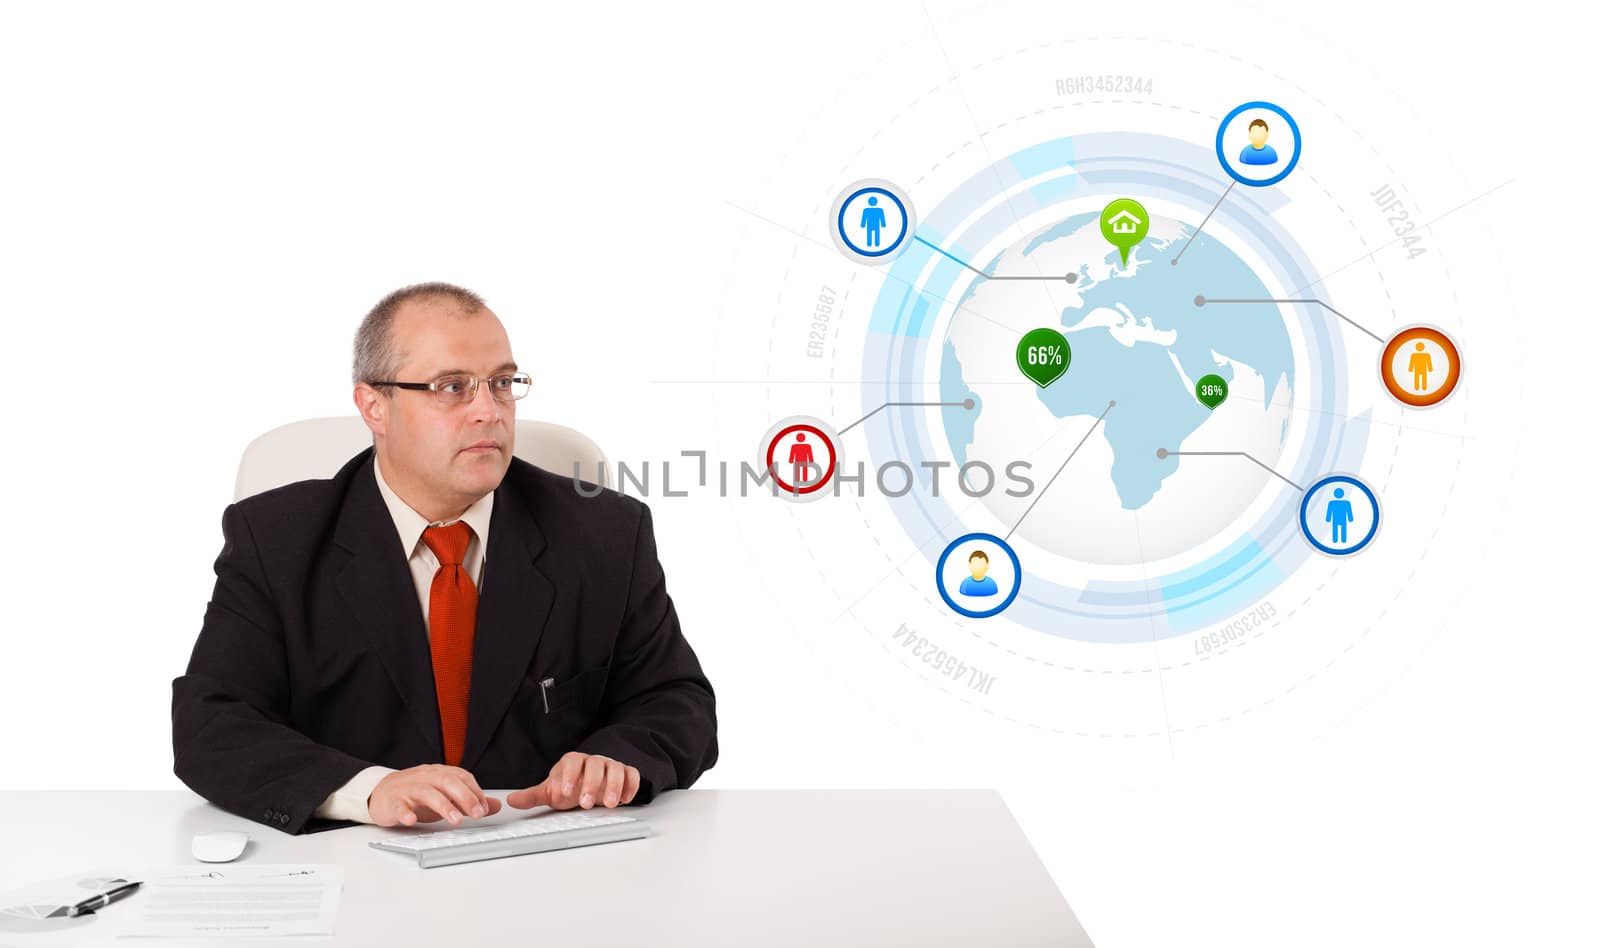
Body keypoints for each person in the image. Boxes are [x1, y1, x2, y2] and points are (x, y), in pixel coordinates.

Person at [171, 282, 718, 835]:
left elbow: (676, 701)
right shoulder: (278, 539)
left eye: (502, 384)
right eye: (451, 387)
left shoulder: (604, 532)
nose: (489, 412)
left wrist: (615, 758)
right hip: (358, 863)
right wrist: (367, 789)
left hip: (547, 860)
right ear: (374, 406)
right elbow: (211, 725)